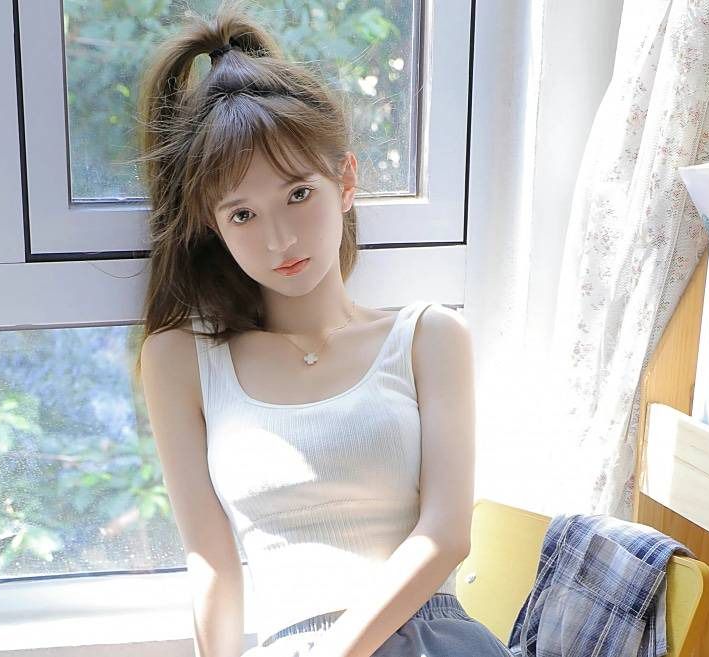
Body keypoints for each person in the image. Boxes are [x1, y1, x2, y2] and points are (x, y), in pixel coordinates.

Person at [133, 2, 507, 655]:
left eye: (298, 194)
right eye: (242, 214)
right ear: (214, 226)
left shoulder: (429, 338)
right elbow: (211, 563)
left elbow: (445, 535)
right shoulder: (180, 361)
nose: (279, 238)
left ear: (346, 181)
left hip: (432, 637)